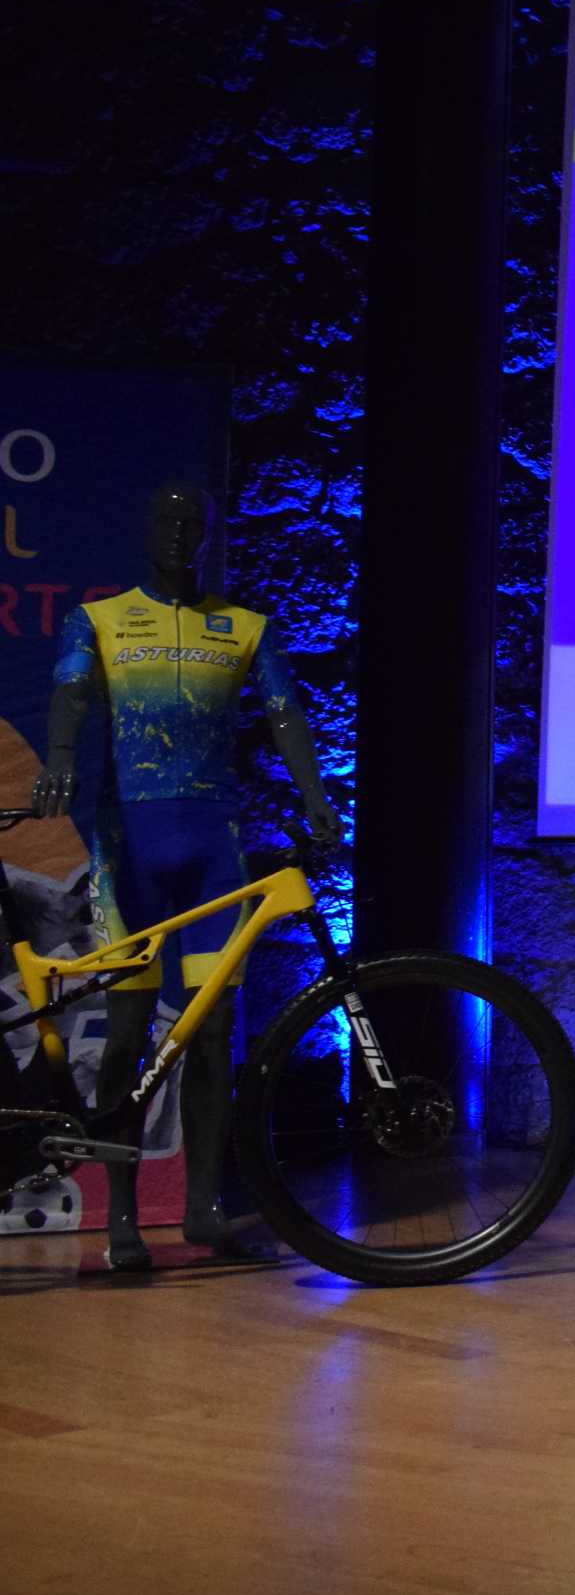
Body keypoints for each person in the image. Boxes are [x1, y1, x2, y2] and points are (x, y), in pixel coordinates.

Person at [35, 481, 341, 1271]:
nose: (177, 534)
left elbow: (285, 715)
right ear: (146, 529)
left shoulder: (243, 627)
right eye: (164, 519)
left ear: (207, 536)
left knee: (211, 1038)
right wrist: (61, 759)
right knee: (131, 1032)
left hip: (213, 844)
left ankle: (205, 1207)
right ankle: (123, 1224)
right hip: (128, 845)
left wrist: (318, 802)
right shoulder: (99, 619)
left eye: (191, 524)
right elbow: (70, 689)